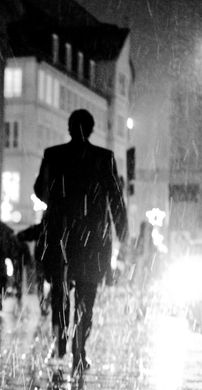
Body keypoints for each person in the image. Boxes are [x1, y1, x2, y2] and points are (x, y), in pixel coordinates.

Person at [33, 109, 128, 374]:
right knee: (87, 296)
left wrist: (57, 199)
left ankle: (61, 338)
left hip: (61, 234)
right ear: (92, 128)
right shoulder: (104, 158)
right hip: (93, 239)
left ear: (70, 127)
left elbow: (40, 190)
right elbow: (116, 200)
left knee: (60, 291)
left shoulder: (54, 155)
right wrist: (123, 235)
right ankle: (79, 347)